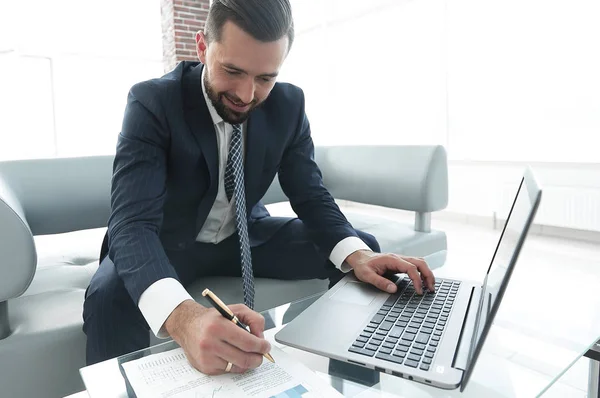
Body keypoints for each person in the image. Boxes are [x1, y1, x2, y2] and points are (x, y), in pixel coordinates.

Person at [83, 0, 435, 375]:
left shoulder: (289, 104)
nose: (247, 95)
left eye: (265, 78)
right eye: (232, 71)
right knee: (109, 297)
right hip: (166, 241)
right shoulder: (152, 102)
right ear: (203, 47)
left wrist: (357, 255)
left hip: (244, 235)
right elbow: (132, 224)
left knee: (361, 257)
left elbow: (309, 193)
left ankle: (352, 377)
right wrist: (183, 318)